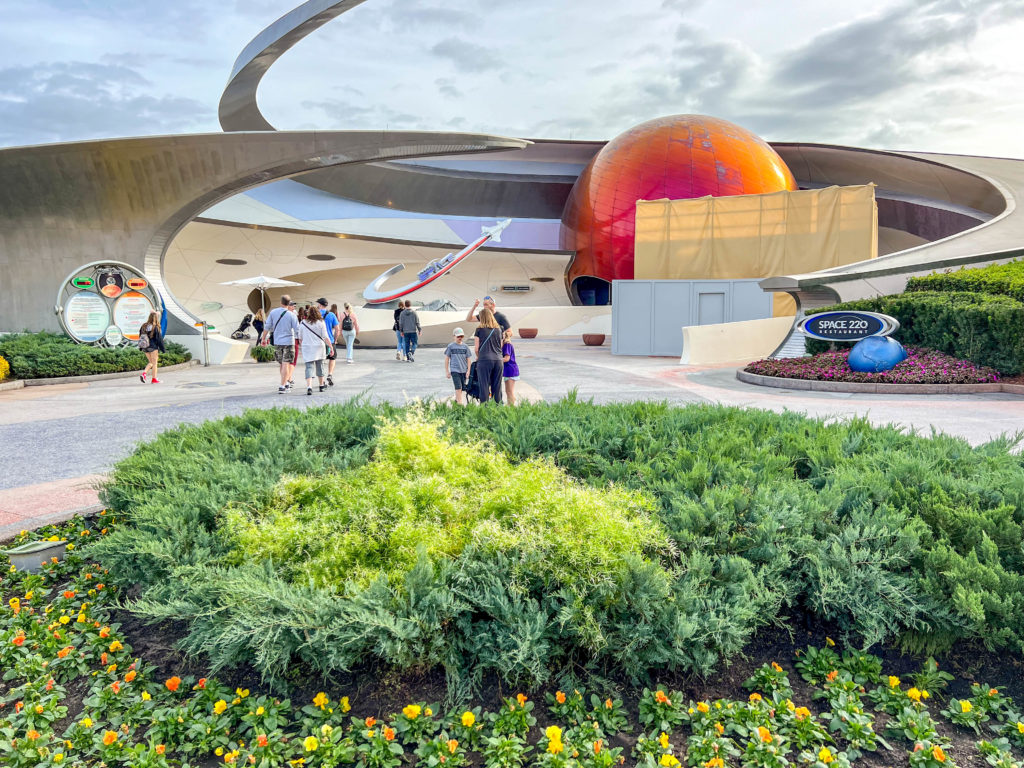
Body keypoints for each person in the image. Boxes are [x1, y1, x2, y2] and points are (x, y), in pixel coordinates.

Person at [261, 294, 299, 394]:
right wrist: (300, 341)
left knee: (282, 364)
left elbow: (267, 326)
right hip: (289, 342)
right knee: (286, 363)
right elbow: (297, 330)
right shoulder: (292, 315)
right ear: (289, 303)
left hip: (277, 342)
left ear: (281, 302)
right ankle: (282, 386)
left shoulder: (273, 312)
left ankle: (285, 383)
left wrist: (263, 339)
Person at [298, 305, 332, 395]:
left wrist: (304, 345)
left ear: (308, 313)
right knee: (320, 366)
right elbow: (325, 337)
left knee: (309, 367)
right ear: (318, 313)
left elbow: (300, 338)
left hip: (307, 347)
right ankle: (321, 385)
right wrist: (331, 347)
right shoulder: (321, 322)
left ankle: (309, 387)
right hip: (319, 347)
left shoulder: (302, 323)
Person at [473, 308, 503, 403]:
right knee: (497, 387)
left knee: (484, 386)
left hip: (484, 360)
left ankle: (485, 410)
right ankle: (498, 409)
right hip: (498, 360)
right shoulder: (499, 330)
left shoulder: (479, 330)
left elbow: (476, 349)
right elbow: (500, 346)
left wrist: (478, 356)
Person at [444, 327, 473, 405]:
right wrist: (447, 371)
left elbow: (468, 359)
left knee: (462, 389)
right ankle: (460, 404)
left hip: (464, 370)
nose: (460, 338)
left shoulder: (465, 347)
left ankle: (456, 402)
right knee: (458, 387)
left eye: (461, 336)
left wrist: (468, 371)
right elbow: (447, 359)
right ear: (454, 336)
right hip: (455, 370)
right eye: (458, 336)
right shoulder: (451, 346)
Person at [138, 311, 165, 384]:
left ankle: (144, 374)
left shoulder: (143, 326)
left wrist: (141, 347)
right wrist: (163, 349)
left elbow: (140, 336)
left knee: (151, 362)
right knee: (154, 363)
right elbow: (159, 339)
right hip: (153, 347)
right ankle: (153, 378)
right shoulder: (155, 327)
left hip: (145, 347)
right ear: (156, 318)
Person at [317, 298, 339, 385]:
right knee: (332, 358)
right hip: (330, 340)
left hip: (318, 340)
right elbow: (337, 329)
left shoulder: (316, 315)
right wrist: (335, 339)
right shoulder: (332, 315)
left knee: (320, 360)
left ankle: (322, 381)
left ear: (320, 305)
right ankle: (330, 374)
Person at [501, 328, 520, 406]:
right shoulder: (504, 344)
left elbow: (507, 358)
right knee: (508, 391)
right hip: (507, 371)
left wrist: (496, 360)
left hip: (510, 370)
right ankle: (510, 405)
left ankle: (511, 407)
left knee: (509, 391)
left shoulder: (507, 345)